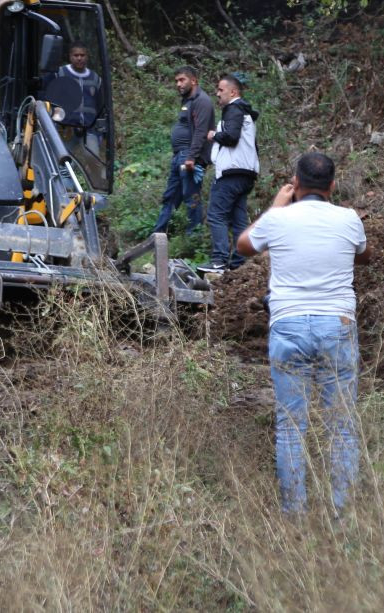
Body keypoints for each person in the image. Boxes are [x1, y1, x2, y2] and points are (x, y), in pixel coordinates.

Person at [235, 151, 372, 515]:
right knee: (342, 426)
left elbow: (244, 245)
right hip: (337, 327)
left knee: (291, 427)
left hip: (289, 325)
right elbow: (363, 253)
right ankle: (342, 516)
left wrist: (276, 205)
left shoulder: (279, 220)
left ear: (295, 184)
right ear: (332, 184)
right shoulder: (349, 219)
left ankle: (294, 515)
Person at [197, 74, 258, 274]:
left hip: (232, 172)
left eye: (221, 90)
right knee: (238, 219)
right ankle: (239, 262)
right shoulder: (243, 111)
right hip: (246, 173)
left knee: (216, 215)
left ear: (233, 92)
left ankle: (219, 261)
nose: (217, 94)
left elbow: (231, 138)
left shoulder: (234, 108)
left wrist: (214, 135)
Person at [152, 66, 214, 236]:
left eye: (182, 80)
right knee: (170, 196)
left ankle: (194, 237)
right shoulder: (188, 100)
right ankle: (157, 235)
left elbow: (201, 131)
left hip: (188, 157)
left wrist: (192, 157)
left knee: (191, 197)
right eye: (176, 81)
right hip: (179, 156)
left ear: (193, 80)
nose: (178, 84)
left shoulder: (202, 100)